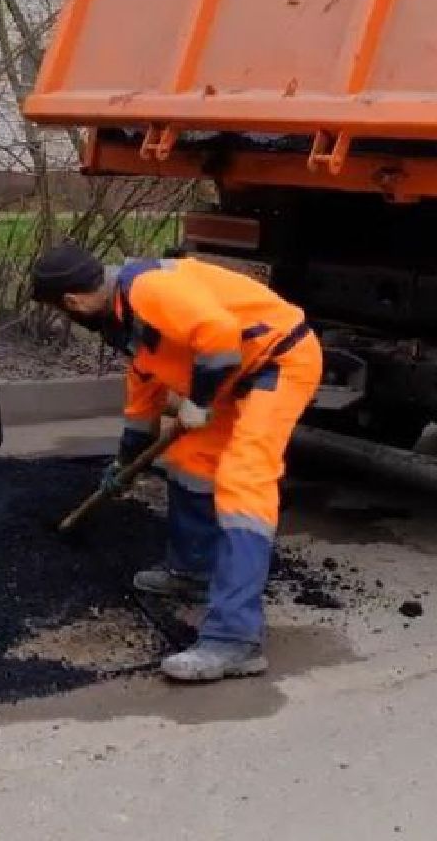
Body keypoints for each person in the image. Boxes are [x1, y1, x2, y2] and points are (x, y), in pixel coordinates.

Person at [29, 243, 323, 682]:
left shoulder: (149, 290)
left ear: (71, 302)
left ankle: (234, 639)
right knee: (188, 459)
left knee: (243, 477)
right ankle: (193, 571)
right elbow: (142, 406)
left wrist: (200, 401)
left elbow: (220, 336)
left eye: (63, 311)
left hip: (275, 361)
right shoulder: (124, 319)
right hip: (231, 375)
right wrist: (123, 465)